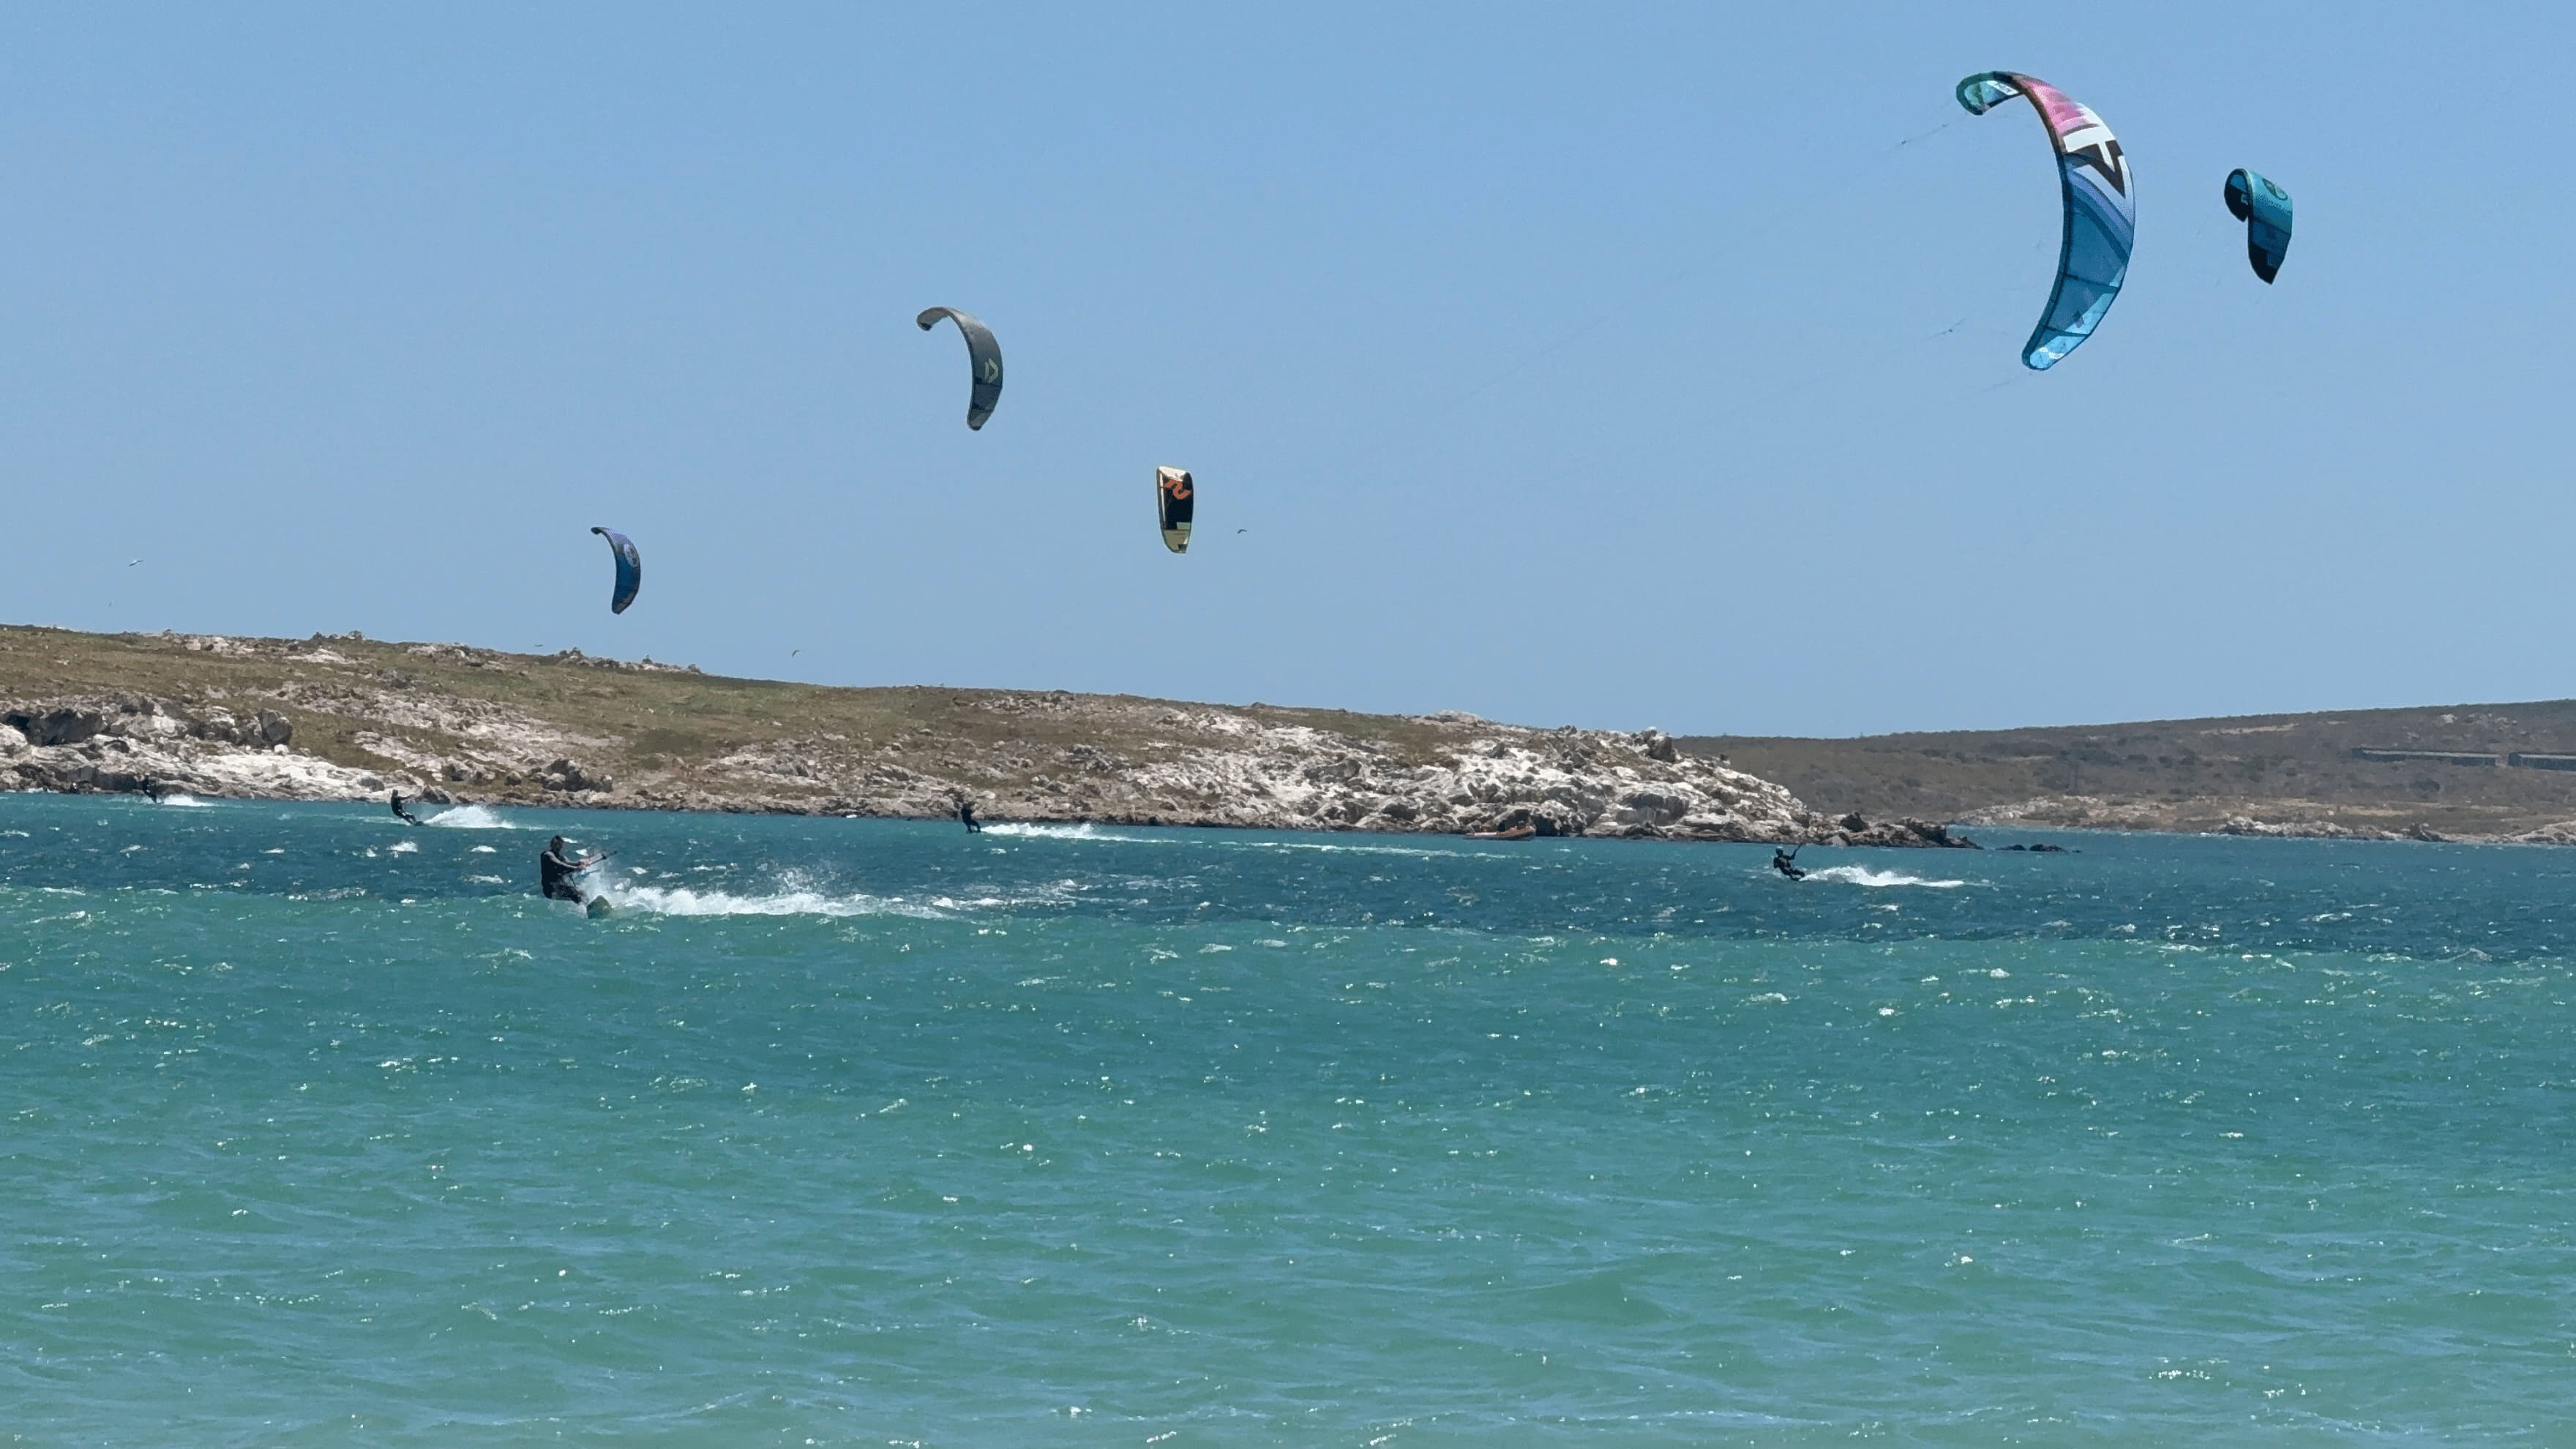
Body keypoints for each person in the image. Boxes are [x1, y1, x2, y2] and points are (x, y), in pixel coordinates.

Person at [539, 834, 605, 903]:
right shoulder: (548, 855)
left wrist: (580, 863)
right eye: (556, 845)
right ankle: (587, 906)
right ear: (552, 845)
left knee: (582, 893)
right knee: (573, 892)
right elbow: (560, 864)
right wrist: (576, 868)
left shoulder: (562, 858)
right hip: (551, 890)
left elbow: (569, 863)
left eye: (560, 845)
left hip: (560, 887)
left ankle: (590, 906)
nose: (558, 847)